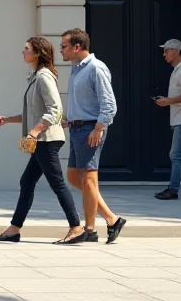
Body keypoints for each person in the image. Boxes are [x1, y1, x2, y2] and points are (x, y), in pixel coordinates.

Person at [0, 37, 86, 244]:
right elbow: (33, 113)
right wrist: (8, 119)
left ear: (37, 53)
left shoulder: (44, 77)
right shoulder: (36, 76)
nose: (23, 52)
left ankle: (76, 228)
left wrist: (34, 132)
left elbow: (55, 110)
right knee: (27, 182)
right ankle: (14, 229)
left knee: (57, 183)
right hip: (42, 140)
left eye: (26, 49)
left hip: (47, 140)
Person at [60, 28, 127, 244]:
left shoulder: (96, 68)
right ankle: (112, 219)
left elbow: (109, 103)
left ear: (77, 47)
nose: (61, 50)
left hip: (90, 129)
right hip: (76, 128)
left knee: (89, 180)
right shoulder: (76, 69)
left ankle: (89, 230)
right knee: (74, 178)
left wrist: (98, 128)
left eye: (64, 46)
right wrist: (69, 120)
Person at [154, 39, 181, 200]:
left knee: (175, 155)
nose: (164, 54)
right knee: (177, 155)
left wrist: (168, 101)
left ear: (175, 51)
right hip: (179, 118)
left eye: (166, 51)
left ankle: (173, 190)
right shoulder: (178, 69)